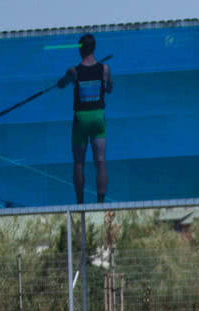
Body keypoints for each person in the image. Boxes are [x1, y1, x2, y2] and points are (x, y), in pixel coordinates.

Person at [56, 33, 112, 204]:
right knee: (100, 161)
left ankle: (80, 202)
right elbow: (109, 88)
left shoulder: (74, 71)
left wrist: (62, 81)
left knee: (79, 162)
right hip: (98, 118)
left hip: (80, 119)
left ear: (81, 49)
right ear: (94, 48)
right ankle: (100, 203)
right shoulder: (105, 69)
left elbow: (61, 84)